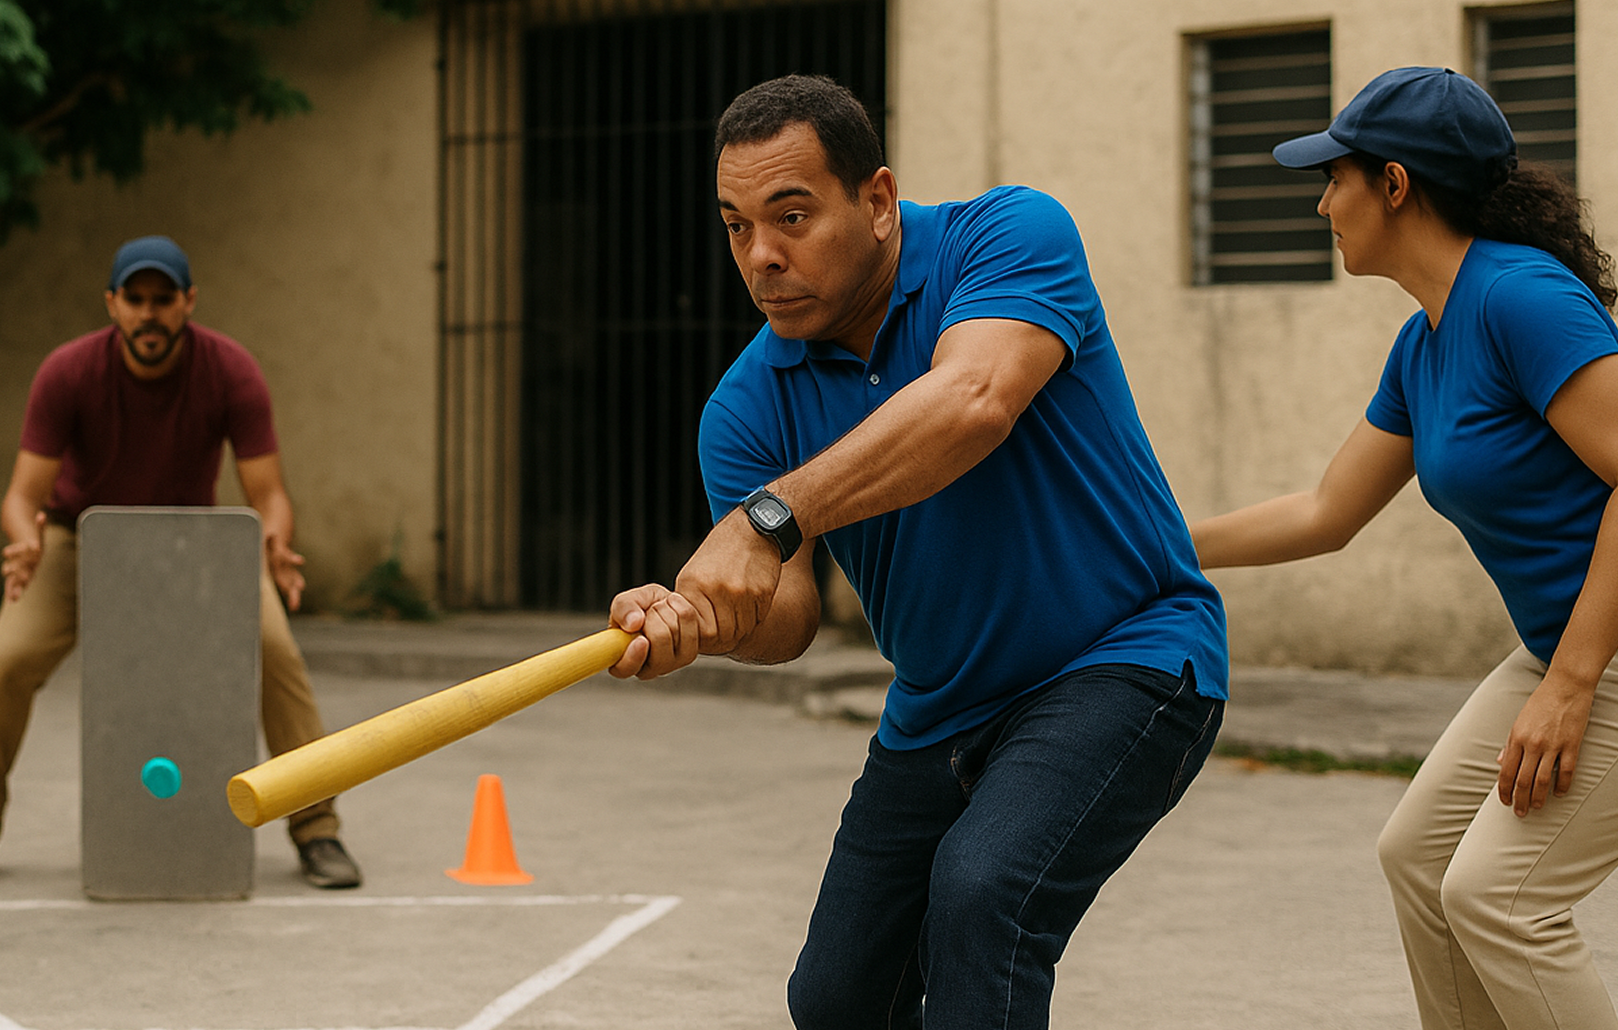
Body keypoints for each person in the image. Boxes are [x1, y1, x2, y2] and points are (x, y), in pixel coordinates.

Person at [605, 74, 1228, 1029]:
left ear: (880, 200)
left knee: (985, 898)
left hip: (1122, 660)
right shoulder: (746, 406)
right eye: (736, 226)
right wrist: (706, 621)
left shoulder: (1009, 236)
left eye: (793, 215)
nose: (762, 256)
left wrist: (769, 518)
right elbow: (790, 618)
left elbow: (973, 401)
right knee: (837, 997)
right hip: (939, 710)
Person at [1190, 66, 1618, 1030]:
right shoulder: (1424, 343)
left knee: (1501, 902)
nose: (1319, 201)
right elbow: (1325, 512)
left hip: (1597, 654)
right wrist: (1150, 549)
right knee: (1420, 862)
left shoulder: (1521, 298)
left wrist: (1573, 683)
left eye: (1332, 176)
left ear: (1393, 184)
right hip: (1567, 646)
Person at [0, 235, 361, 889]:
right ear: (112, 304)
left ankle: (317, 830)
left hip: (197, 545)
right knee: (7, 662)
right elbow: (23, 496)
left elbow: (267, 494)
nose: (149, 313)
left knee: (275, 652)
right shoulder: (68, 372)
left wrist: (273, 542)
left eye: (163, 299)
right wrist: (25, 540)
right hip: (81, 540)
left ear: (189, 302)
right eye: (135, 299)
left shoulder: (230, 370)